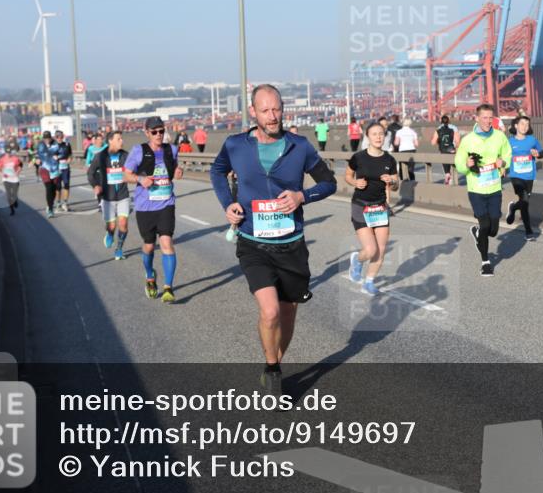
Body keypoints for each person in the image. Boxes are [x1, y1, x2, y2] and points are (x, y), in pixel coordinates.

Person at [210, 84, 336, 397]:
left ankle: (275, 364)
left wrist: (301, 196)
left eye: (277, 109)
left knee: (288, 311)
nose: (272, 116)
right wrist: (228, 203)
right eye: (265, 110)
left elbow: (330, 182)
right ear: (253, 112)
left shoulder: (299, 146)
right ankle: (272, 368)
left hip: (291, 243)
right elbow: (217, 172)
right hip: (253, 242)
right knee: (270, 313)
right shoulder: (236, 145)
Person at [123, 117, 184, 302]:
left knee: (166, 243)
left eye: (161, 131)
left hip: (166, 204)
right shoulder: (138, 151)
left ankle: (168, 288)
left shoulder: (171, 150)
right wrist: (141, 180)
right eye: (155, 132)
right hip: (145, 207)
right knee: (149, 246)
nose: (159, 135)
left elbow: (174, 169)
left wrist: (177, 172)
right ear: (147, 132)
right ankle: (150, 275)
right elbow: (126, 175)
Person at [454, 104, 511, 277]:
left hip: (494, 187)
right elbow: (459, 164)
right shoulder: (468, 140)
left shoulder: (499, 136)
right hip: (476, 189)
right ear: (477, 118)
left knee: (493, 229)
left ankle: (479, 232)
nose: (487, 121)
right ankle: (486, 261)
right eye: (484, 118)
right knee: (485, 224)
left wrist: (504, 163)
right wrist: (466, 165)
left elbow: (507, 154)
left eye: (490, 118)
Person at [345, 122, 399, 295]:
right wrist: (355, 182)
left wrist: (392, 180)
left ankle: (369, 282)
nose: (378, 137)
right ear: (367, 136)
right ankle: (357, 260)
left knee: (381, 249)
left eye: (381, 134)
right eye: (374, 134)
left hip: (380, 207)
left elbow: (396, 186)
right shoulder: (359, 157)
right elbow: (347, 175)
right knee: (370, 249)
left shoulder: (389, 160)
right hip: (361, 205)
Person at [88, 130, 131, 260]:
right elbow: (91, 173)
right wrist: (95, 185)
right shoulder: (101, 156)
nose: (122, 141)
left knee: (123, 224)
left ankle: (119, 249)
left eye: (121, 139)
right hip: (108, 197)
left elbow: (137, 168)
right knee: (112, 226)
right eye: (119, 139)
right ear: (110, 140)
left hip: (123, 195)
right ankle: (110, 233)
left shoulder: (125, 155)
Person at [505, 115, 543, 240]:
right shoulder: (509, 141)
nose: (525, 127)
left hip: (529, 175)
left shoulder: (532, 140)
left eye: (527, 124)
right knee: (525, 201)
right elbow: (502, 156)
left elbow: (542, 153)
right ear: (516, 126)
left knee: (524, 202)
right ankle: (528, 231)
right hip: (515, 175)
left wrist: (537, 154)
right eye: (522, 124)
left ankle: (513, 207)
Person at [35, 130, 62, 218]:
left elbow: (62, 153)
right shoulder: (40, 145)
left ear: (51, 137)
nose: (47, 140)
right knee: (49, 187)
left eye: (48, 138)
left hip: (54, 169)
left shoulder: (55, 144)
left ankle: (50, 204)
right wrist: (37, 160)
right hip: (44, 169)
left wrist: (58, 156)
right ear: (43, 138)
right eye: (45, 138)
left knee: (54, 190)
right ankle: (50, 209)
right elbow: (37, 155)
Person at [430, 114, 459, 185]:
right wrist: (457, 148)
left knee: (445, 164)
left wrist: (439, 142)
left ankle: (447, 175)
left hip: (443, 149)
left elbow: (433, 142)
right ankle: (454, 180)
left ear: (441, 121)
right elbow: (457, 141)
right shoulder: (453, 128)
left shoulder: (438, 129)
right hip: (451, 149)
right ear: (449, 121)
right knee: (453, 164)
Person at [0, 147, 23, 215]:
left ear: (11, 152)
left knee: (14, 194)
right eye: (7, 153)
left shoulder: (15, 159)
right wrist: (2, 174)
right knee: (8, 194)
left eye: (9, 152)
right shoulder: (2, 159)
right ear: (5, 152)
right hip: (6, 179)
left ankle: (15, 200)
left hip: (14, 179)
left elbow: (20, 166)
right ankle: (12, 210)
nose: (8, 154)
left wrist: (18, 172)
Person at [54, 130, 73, 212]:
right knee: (57, 187)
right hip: (56, 168)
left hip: (65, 168)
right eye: (58, 137)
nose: (60, 138)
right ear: (55, 137)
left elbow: (70, 155)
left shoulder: (67, 145)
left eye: (61, 137)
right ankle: (58, 203)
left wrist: (69, 159)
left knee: (66, 185)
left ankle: (65, 203)